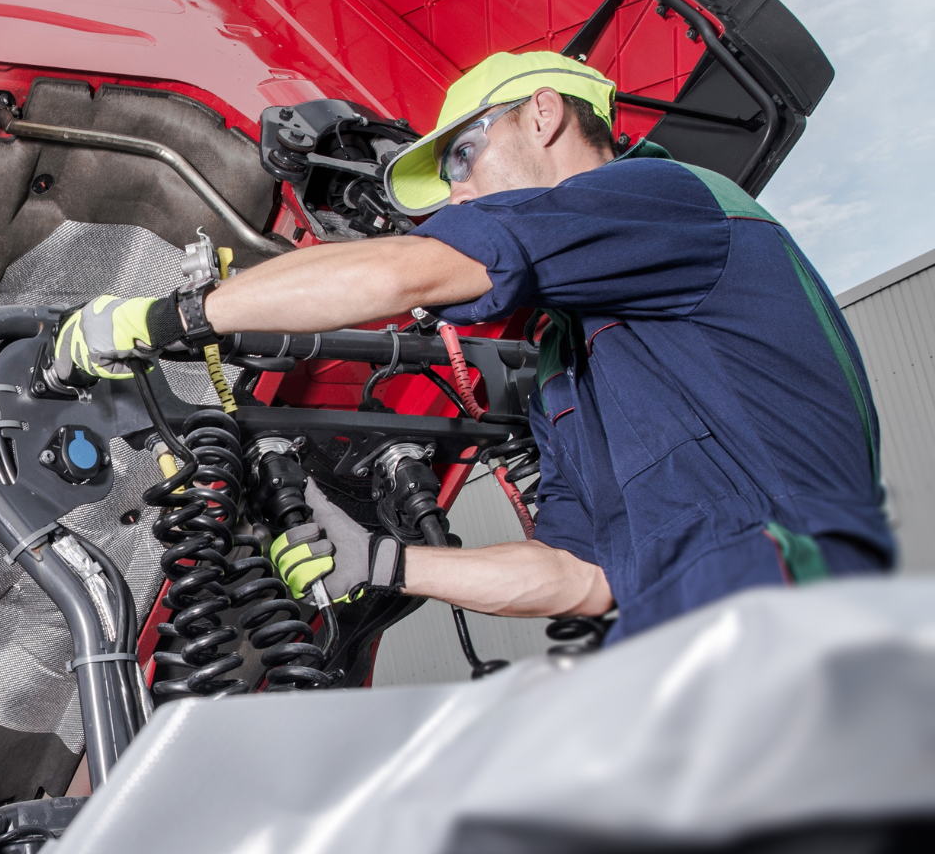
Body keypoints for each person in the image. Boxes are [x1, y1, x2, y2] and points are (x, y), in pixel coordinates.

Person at [56, 51, 893, 643]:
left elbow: (420, 269)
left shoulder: (664, 198)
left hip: (785, 630)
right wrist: (381, 560)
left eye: (464, 153)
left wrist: (163, 319)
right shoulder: (575, 362)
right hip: (689, 653)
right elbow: (576, 576)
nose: (457, 191)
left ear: (544, 112)